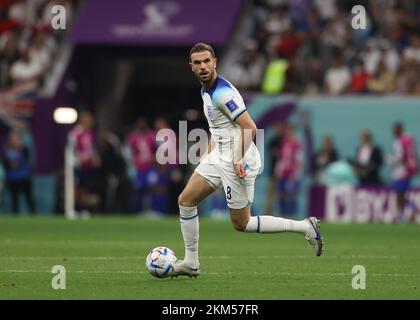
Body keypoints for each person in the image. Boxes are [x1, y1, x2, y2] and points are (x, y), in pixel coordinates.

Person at [169, 43, 323, 278]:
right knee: (186, 200)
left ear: (215, 62)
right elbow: (217, 127)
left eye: (206, 61)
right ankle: (191, 263)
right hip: (220, 154)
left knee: (242, 224)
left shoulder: (223, 93)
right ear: (191, 67)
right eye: (197, 63)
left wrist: (237, 159)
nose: (203, 67)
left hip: (238, 158)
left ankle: (305, 227)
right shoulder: (205, 91)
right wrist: (210, 152)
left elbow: (250, 128)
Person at [387, 122, 418, 222]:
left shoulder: (400, 141)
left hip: (401, 171)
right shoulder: (409, 140)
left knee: (400, 194)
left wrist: (389, 159)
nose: (393, 132)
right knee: (401, 194)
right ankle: (406, 214)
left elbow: (399, 157)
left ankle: (407, 213)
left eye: (395, 129)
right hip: (408, 171)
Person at [2, 130, 35, 214]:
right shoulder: (7, 149)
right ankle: (15, 215)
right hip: (13, 177)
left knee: (28, 197)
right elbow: (5, 163)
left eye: (16, 136)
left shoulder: (24, 148)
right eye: (12, 136)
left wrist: (19, 162)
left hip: (24, 176)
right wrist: (10, 165)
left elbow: (29, 160)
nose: (14, 138)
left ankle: (33, 215)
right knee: (14, 198)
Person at [274, 124, 303, 217]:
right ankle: (282, 214)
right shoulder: (284, 142)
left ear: (293, 132)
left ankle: (292, 214)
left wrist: (296, 173)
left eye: (290, 131)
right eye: (287, 131)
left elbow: (299, 159)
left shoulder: (297, 144)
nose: (288, 133)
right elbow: (281, 158)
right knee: (281, 194)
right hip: (283, 173)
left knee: (291, 195)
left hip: (292, 174)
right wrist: (278, 171)